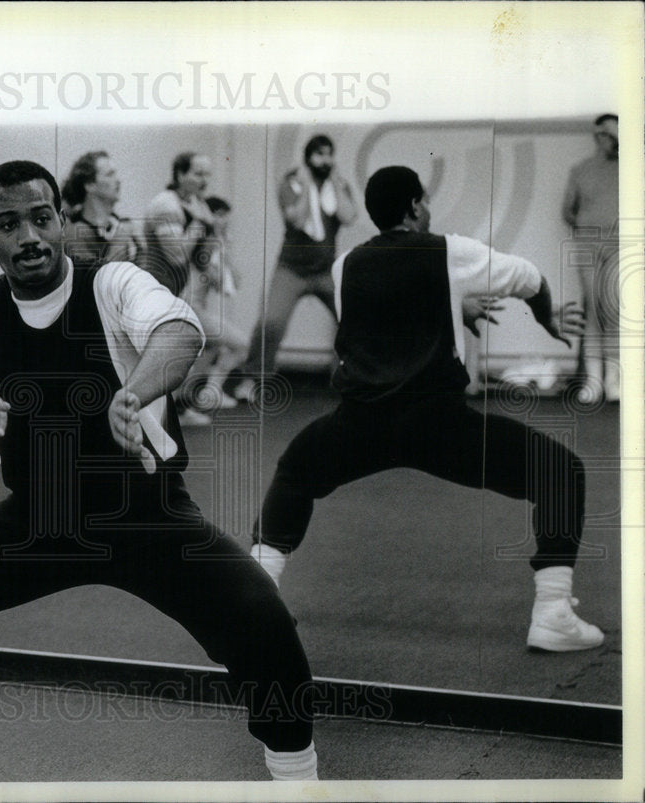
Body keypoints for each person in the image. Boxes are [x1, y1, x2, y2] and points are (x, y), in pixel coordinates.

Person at [0, 161, 318, 783]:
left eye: (41, 218)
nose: (29, 236)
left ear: (61, 221)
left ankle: (298, 777)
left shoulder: (112, 282)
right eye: (9, 224)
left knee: (267, 627)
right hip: (38, 521)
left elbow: (179, 332)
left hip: (146, 517)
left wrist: (133, 394)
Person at [249, 166, 602, 654]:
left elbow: (384, 316)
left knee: (293, 471)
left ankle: (255, 603)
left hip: (361, 422)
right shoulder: (449, 249)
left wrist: (455, 307)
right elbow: (530, 278)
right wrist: (545, 318)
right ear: (416, 206)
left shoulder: (345, 264)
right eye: (425, 203)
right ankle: (553, 614)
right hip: (439, 426)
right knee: (562, 472)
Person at [232, 134, 357, 403]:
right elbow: (298, 221)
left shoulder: (338, 184)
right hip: (292, 269)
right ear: (308, 158)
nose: (325, 160)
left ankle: (351, 377)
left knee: (354, 318)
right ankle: (253, 379)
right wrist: (308, 187)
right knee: (271, 322)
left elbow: (348, 217)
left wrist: (334, 184)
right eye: (320, 154)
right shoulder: (291, 183)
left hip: (326, 271)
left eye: (329, 154)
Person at [142, 152, 216, 424]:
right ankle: (158, 416)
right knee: (160, 357)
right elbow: (177, 255)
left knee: (209, 342)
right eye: (198, 174)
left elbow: (201, 258)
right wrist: (199, 223)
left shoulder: (196, 204)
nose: (204, 181)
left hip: (174, 294)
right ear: (180, 174)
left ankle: (179, 408)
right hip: (151, 295)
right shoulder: (166, 205)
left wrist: (210, 228)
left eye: (207, 174)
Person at [562, 114, 620, 404]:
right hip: (588, 247)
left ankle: (613, 380)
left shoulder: (630, 168)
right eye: (607, 134)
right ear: (598, 135)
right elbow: (567, 211)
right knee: (594, 312)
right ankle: (593, 381)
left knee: (615, 312)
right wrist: (588, 232)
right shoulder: (581, 170)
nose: (611, 140)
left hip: (620, 247)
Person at [182, 196, 248, 411]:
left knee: (212, 348)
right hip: (190, 309)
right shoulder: (206, 242)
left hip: (192, 309)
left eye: (226, 218)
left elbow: (232, 284)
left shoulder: (212, 243)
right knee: (241, 345)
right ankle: (203, 395)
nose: (225, 222)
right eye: (220, 217)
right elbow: (222, 283)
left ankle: (200, 396)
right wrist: (223, 248)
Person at [61, 150, 141, 269]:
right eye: (109, 174)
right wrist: (122, 238)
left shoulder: (119, 224)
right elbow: (96, 281)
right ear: (89, 185)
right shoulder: (75, 235)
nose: (118, 180)